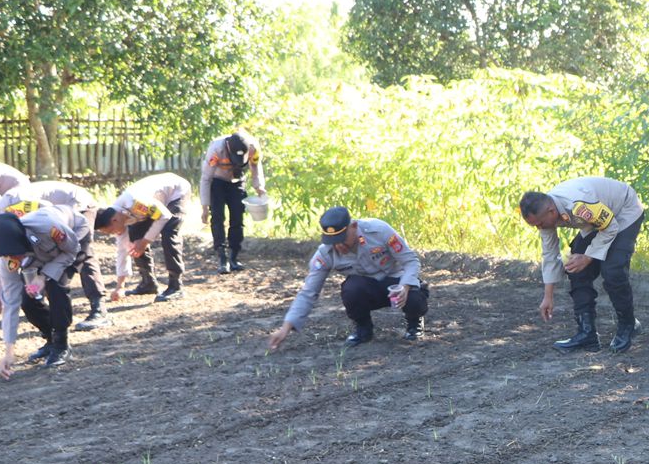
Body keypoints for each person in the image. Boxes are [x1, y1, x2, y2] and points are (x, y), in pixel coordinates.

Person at [267, 206, 428, 350]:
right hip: (368, 289)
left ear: (354, 226)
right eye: (333, 241)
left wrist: (405, 286)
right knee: (351, 289)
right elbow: (308, 291)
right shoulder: (325, 253)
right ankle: (363, 329)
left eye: (342, 239)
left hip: (396, 282)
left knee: (414, 292)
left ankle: (414, 323)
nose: (338, 246)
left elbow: (410, 261)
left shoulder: (379, 230)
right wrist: (286, 327)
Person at [519, 177, 645, 353]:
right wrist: (548, 296)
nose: (538, 228)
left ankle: (628, 325)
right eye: (534, 225)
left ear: (551, 211)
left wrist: (588, 257)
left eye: (539, 224)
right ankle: (587, 334)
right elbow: (550, 254)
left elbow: (610, 226)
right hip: (598, 221)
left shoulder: (579, 205)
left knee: (612, 271)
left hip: (623, 212)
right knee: (575, 268)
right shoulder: (546, 216)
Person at [0, 179, 109, 328]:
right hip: (55, 216)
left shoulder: (14, 208)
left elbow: (49, 210)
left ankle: (99, 309)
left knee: (81, 254)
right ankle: (47, 308)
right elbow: (6, 263)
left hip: (76, 206)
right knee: (47, 264)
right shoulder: (5, 223)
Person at [0, 205, 86, 375]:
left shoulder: (48, 228)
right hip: (40, 257)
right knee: (27, 298)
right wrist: (9, 352)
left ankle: (61, 344)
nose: (14, 259)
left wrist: (44, 276)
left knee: (56, 287)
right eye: (10, 256)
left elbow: (71, 250)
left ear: (21, 241)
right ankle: (50, 339)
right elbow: (11, 302)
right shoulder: (7, 258)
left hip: (73, 238)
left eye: (17, 254)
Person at [94, 173, 191, 303]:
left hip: (175, 191)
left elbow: (164, 216)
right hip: (154, 206)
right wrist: (120, 287)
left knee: (169, 232)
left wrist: (145, 241)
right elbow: (123, 250)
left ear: (115, 220)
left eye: (111, 231)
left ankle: (176, 285)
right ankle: (148, 282)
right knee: (135, 236)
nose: (113, 233)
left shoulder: (135, 203)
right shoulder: (120, 217)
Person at [199, 129, 266, 273]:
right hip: (217, 181)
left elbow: (255, 167)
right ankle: (222, 258)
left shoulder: (253, 148)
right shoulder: (216, 149)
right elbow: (206, 179)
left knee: (237, 216)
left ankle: (234, 257)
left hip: (237, 181)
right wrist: (205, 206)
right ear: (229, 147)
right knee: (217, 217)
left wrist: (259, 187)